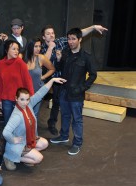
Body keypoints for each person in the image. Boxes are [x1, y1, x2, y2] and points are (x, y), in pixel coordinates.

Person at [41, 24, 107, 135]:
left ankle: (52, 124)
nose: (51, 35)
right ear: (44, 37)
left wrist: (93, 27)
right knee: (40, 100)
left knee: (57, 103)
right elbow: (43, 62)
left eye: (52, 33)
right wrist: (51, 48)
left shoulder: (61, 41)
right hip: (47, 78)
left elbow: (77, 34)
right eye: (48, 34)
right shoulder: (41, 47)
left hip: (60, 78)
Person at [50, 28, 97, 156]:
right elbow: (59, 68)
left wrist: (82, 88)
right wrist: (59, 59)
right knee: (64, 115)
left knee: (77, 119)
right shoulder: (65, 52)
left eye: (73, 39)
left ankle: (77, 143)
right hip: (64, 91)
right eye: (69, 39)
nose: (70, 42)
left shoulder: (86, 56)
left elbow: (93, 75)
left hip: (77, 94)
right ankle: (64, 136)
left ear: (80, 39)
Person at [3, 77, 66, 171]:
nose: (25, 102)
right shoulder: (16, 115)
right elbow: (5, 132)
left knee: (44, 143)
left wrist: (52, 80)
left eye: (27, 99)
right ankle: (9, 157)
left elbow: (41, 93)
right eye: (22, 99)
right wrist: (13, 140)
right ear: (16, 99)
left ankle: (27, 157)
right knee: (38, 158)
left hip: (27, 139)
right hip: (19, 143)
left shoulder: (29, 104)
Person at [0, 40, 34, 124]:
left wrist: (31, 97)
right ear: (7, 50)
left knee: (20, 123)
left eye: (17, 49)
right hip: (6, 99)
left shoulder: (20, 63)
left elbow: (28, 81)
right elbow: (0, 83)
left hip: (20, 99)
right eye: (14, 49)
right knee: (8, 124)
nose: (16, 51)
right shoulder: (0, 63)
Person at [25, 38, 55, 118]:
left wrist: (43, 77)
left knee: (34, 115)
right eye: (36, 46)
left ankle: (34, 131)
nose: (38, 49)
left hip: (38, 91)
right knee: (25, 115)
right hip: (25, 92)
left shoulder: (41, 58)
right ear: (30, 47)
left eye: (39, 46)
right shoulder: (23, 59)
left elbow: (52, 69)